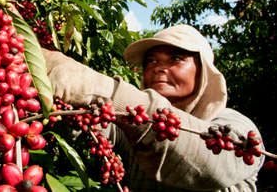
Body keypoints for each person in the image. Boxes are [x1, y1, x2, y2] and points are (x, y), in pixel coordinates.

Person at [42, 24, 264, 191]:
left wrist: (98, 88)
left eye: (175, 58)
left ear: (203, 71)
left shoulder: (236, 129)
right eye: (151, 61)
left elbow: (204, 160)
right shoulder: (130, 125)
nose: (158, 68)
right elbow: (91, 129)